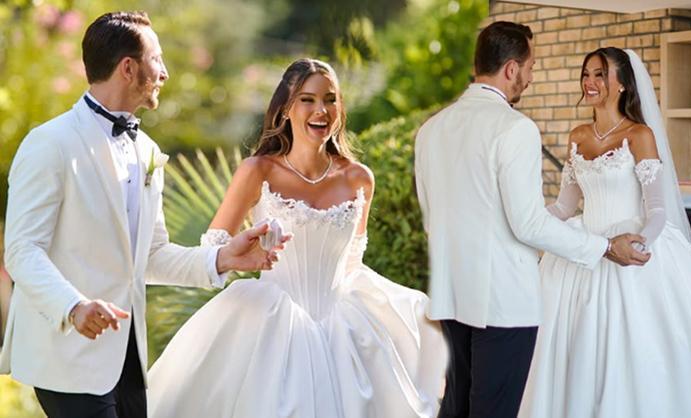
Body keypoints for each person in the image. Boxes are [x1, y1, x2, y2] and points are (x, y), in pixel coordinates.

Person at [0, 11, 284, 418]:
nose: (165, 72)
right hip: (66, 358)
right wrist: (74, 307)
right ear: (128, 68)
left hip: (128, 360)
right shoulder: (49, 143)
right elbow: (22, 250)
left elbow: (151, 256)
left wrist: (224, 258)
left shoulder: (146, 150)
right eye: (157, 59)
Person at [147, 58, 447, 418]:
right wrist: (244, 250)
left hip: (344, 329)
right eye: (308, 99)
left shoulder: (359, 178)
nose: (321, 110)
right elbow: (212, 251)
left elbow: (353, 262)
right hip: (270, 326)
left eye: (330, 99)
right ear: (286, 109)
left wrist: (396, 310)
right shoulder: (257, 171)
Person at [413, 22, 650, 418]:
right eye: (530, 67)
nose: (531, 77)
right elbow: (529, 224)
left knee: (455, 408)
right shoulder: (515, 128)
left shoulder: (430, 130)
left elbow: (431, 218)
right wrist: (606, 247)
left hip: (452, 295)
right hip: (504, 302)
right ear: (511, 69)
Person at [519, 47, 691, 418]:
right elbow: (564, 206)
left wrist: (640, 244)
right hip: (585, 250)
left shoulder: (639, 135)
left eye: (600, 74)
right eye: (586, 74)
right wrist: (527, 223)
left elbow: (658, 210)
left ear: (622, 84)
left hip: (634, 250)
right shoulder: (578, 136)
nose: (590, 82)